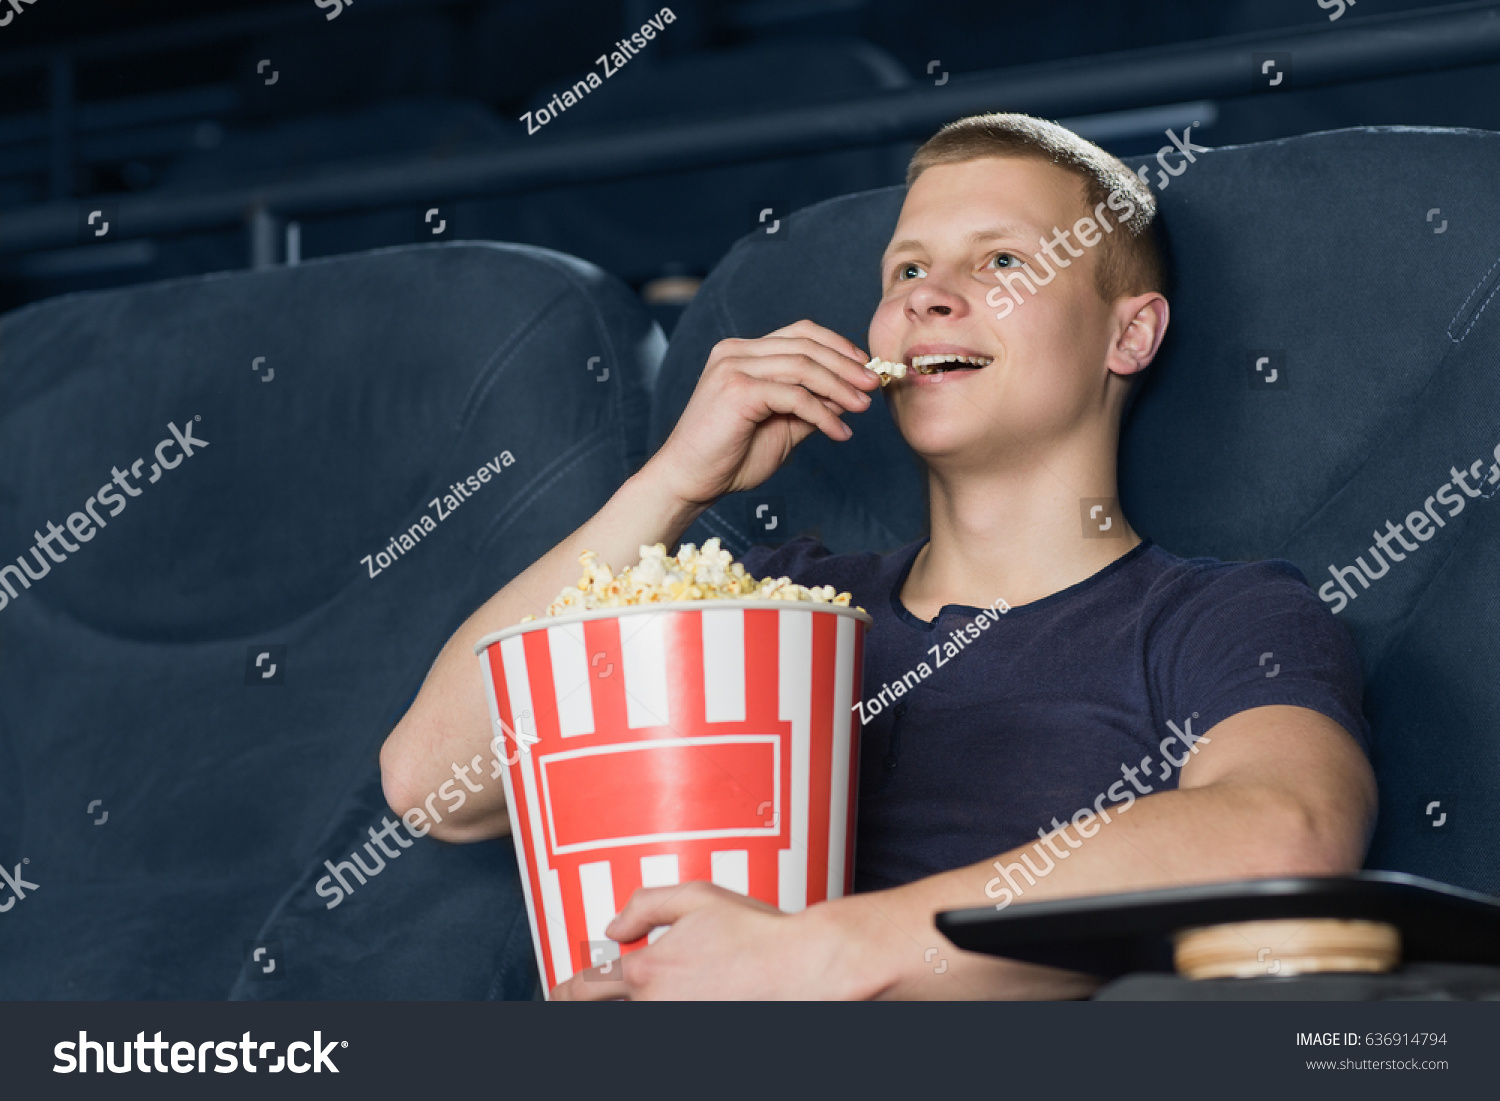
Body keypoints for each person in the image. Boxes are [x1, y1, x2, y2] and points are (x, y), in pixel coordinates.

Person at [379, 112, 1376, 999]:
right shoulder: (775, 603)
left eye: (1001, 262)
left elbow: (1287, 832)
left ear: (1130, 335)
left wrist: (819, 956)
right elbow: (433, 784)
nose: (930, 297)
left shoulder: (1220, 617)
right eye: (907, 269)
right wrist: (674, 481)